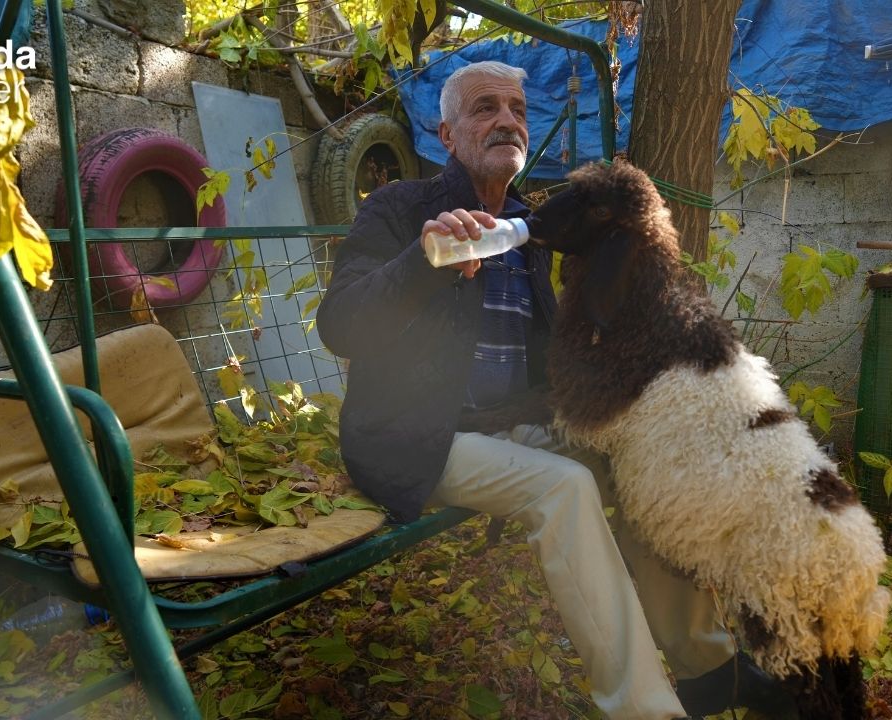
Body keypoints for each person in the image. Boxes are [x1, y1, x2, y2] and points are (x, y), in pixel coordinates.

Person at [317, 61, 794, 720]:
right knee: (564, 488)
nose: (507, 119)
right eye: (485, 108)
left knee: (644, 471)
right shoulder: (400, 210)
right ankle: (644, 710)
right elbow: (339, 326)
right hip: (419, 433)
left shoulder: (533, 229)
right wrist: (420, 263)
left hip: (517, 424)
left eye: (516, 108)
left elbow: (562, 346)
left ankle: (708, 666)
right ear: (446, 134)